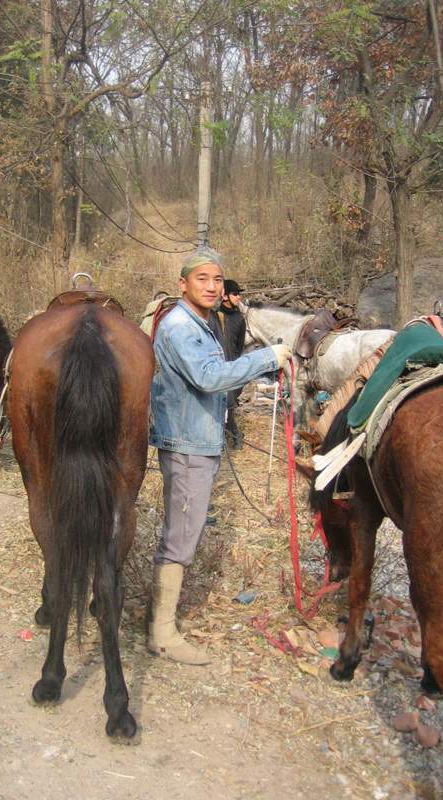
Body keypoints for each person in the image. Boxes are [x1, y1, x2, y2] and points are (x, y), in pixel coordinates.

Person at [148, 247, 292, 665]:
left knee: (184, 533)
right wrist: (265, 357)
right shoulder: (179, 327)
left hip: (199, 437)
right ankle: (160, 633)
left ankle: (162, 623)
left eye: (217, 281)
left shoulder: (203, 322)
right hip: (187, 442)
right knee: (179, 538)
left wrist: (264, 367)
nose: (212, 287)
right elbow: (209, 377)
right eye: (202, 279)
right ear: (183, 284)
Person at [217, 279, 247, 448]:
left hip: (231, 366)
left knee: (229, 403)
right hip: (215, 367)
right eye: (236, 293)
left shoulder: (239, 319)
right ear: (225, 296)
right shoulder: (213, 315)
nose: (239, 297)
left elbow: (239, 345)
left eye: (239, 294)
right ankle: (231, 435)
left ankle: (234, 434)